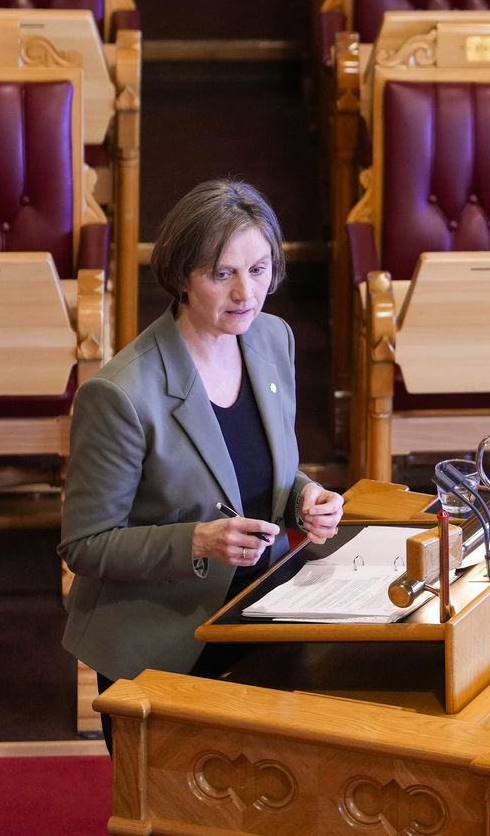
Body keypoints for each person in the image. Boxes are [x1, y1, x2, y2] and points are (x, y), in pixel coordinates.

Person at [59, 179, 344, 752]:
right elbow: (84, 546)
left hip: (263, 614)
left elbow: (267, 470)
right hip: (163, 642)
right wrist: (198, 542)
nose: (247, 293)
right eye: (223, 274)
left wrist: (307, 498)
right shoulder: (120, 393)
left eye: (260, 269)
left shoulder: (272, 339)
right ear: (182, 275)